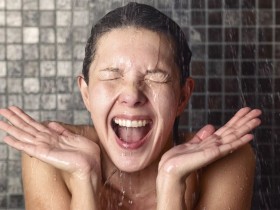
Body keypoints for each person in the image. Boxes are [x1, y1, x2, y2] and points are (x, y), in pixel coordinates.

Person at [0, 2, 261, 210]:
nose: (132, 95)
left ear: (182, 97)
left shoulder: (224, 160)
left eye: (155, 76)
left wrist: (172, 185)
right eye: (112, 76)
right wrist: (84, 179)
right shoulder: (48, 154)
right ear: (86, 93)